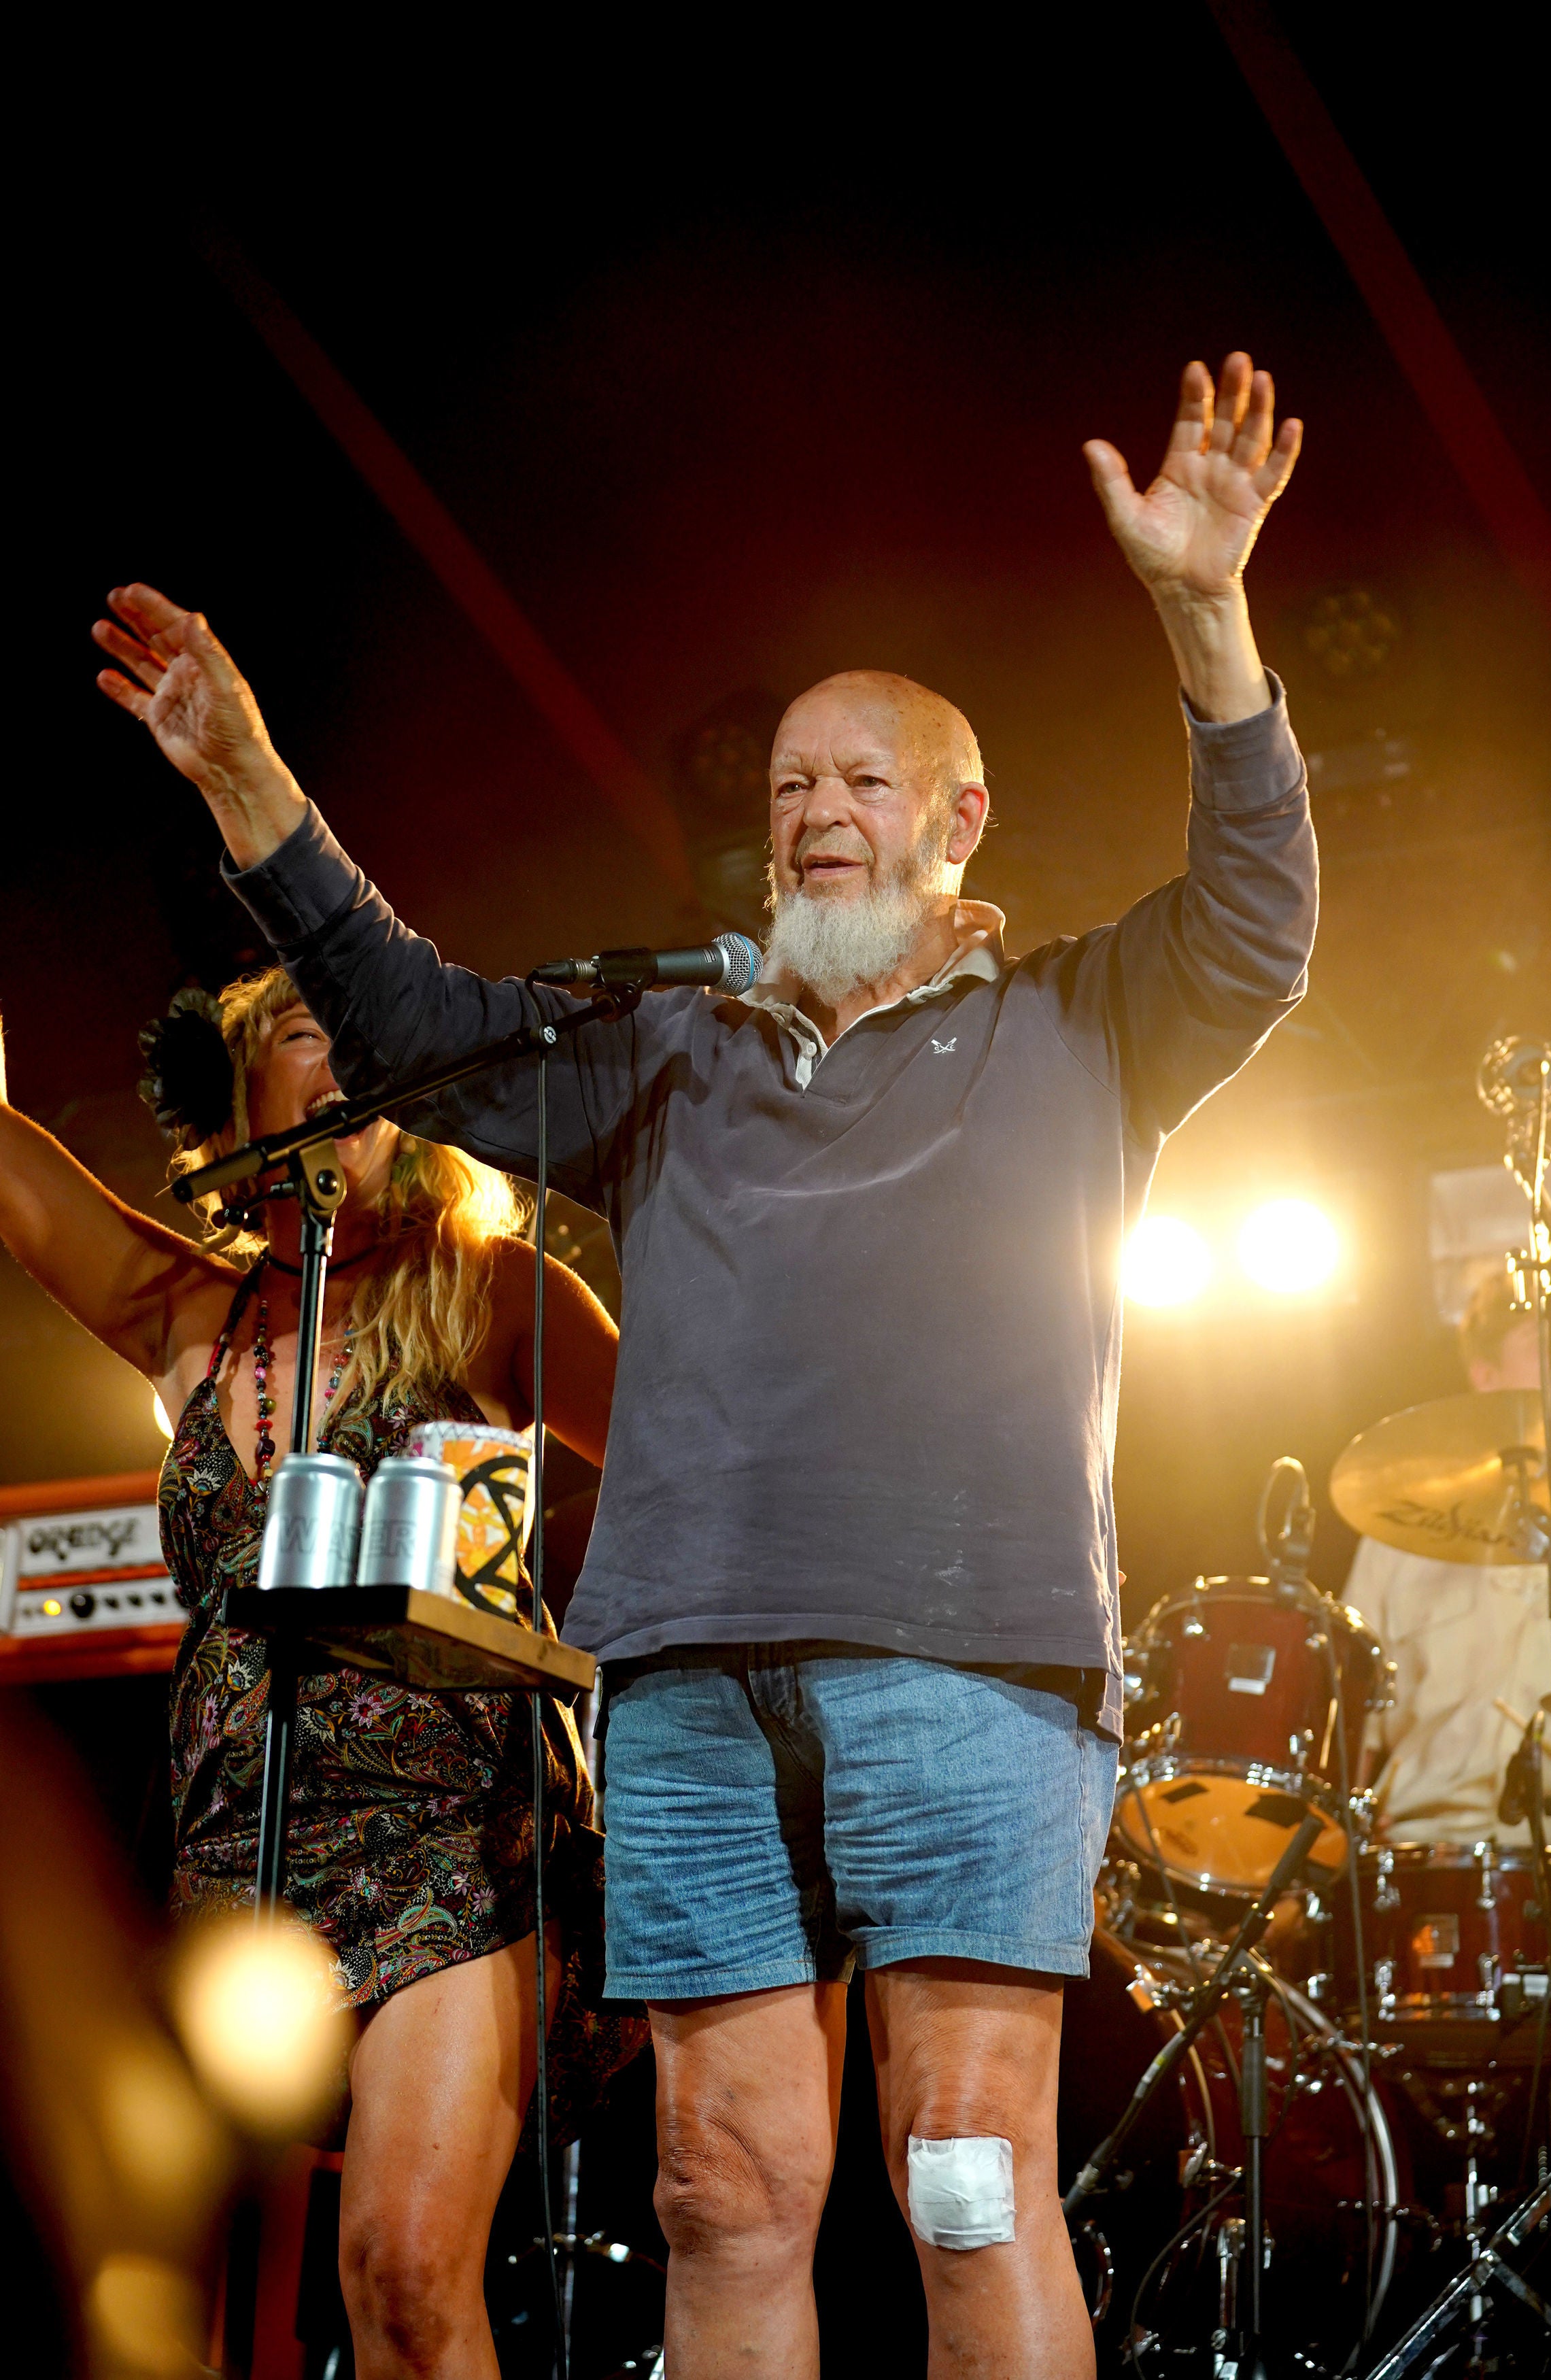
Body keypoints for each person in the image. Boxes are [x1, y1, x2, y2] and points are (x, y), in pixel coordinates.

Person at [93, 352, 1314, 2380]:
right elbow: (406, 1019)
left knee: (962, 2163)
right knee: (723, 2186)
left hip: (966, 1658)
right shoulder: (675, 1043)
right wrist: (247, 776)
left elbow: (1262, 919)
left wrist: (1203, 608)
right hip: (686, 1683)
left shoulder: (1084, 1022)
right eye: (785, 793)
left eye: (859, 781)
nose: (813, 814)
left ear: (956, 818)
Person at [0, 967, 643, 2380]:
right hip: (243, 1837)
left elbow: (695, 1454)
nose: (341, 1056)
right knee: (196, 2299)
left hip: (450, 1839)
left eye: (363, 1037)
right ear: (244, 1097)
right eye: (303, 1032)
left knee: (404, 2274)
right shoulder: (189, 1309)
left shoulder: (491, 1290)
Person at [1346, 1266, 1551, 1847]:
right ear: (1485, 1374)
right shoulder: (1396, 1527)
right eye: (1546, 1341)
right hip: (1424, 1846)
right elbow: (1352, 1713)